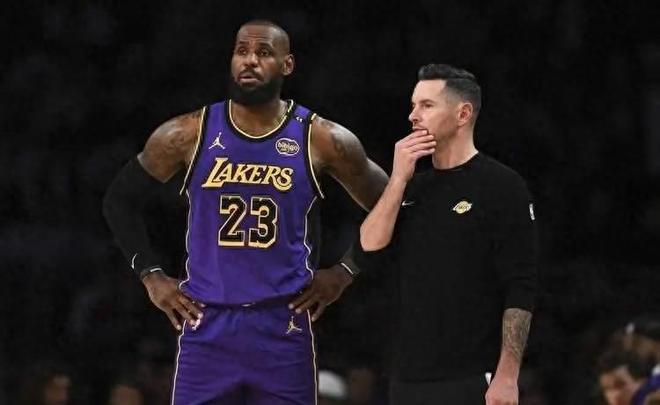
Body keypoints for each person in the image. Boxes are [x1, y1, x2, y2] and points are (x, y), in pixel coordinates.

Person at [103, 19, 388, 404]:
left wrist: (345, 271)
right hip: (207, 323)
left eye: (264, 52)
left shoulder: (321, 138)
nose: (250, 60)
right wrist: (151, 275)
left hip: (282, 325)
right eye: (242, 51)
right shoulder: (187, 133)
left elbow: (391, 205)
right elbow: (119, 200)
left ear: (287, 65)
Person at [359, 63, 537, 405]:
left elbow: (520, 287)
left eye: (426, 105)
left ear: (463, 114)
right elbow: (368, 245)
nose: (413, 115)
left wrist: (507, 375)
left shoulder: (502, 186)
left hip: (472, 375)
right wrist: (398, 179)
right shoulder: (412, 188)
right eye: (413, 105)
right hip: (406, 375)